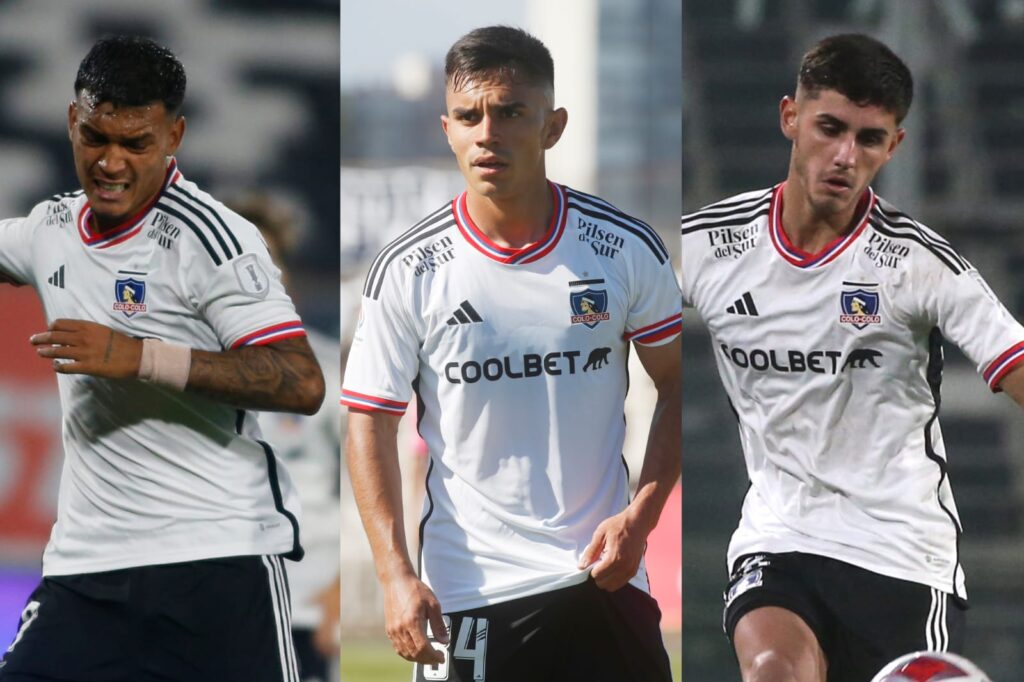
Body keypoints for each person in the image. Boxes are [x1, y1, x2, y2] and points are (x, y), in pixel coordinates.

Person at [341, 25, 681, 682]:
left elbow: (678, 383)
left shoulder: (624, 248)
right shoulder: (409, 269)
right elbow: (369, 421)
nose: (486, 133)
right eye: (469, 116)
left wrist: (641, 519)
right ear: (446, 128)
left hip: (602, 581)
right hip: (469, 595)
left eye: (510, 113)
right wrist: (393, 575)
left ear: (552, 126)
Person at [680, 33, 1024, 682]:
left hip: (901, 552)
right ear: (790, 117)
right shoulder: (708, 247)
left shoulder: (918, 264)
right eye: (829, 127)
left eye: (869, 139)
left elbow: (1015, 361)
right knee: (773, 671)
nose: (844, 155)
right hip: (779, 535)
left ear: (894, 147)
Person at [0, 36, 325, 682]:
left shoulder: (215, 238)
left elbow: (301, 380)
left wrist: (141, 356)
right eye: (96, 137)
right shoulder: (49, 229)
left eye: (136, 143)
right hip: (86, 570)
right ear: (72, 122)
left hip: (215, 562)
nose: (111, 162)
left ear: (174, 136)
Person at [229, 194, 342, 682]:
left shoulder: (329, 368)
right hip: (217, 601)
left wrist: (339, 591)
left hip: (306, 600)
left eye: (270, 262)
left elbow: (364, 482)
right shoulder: (185, 369)